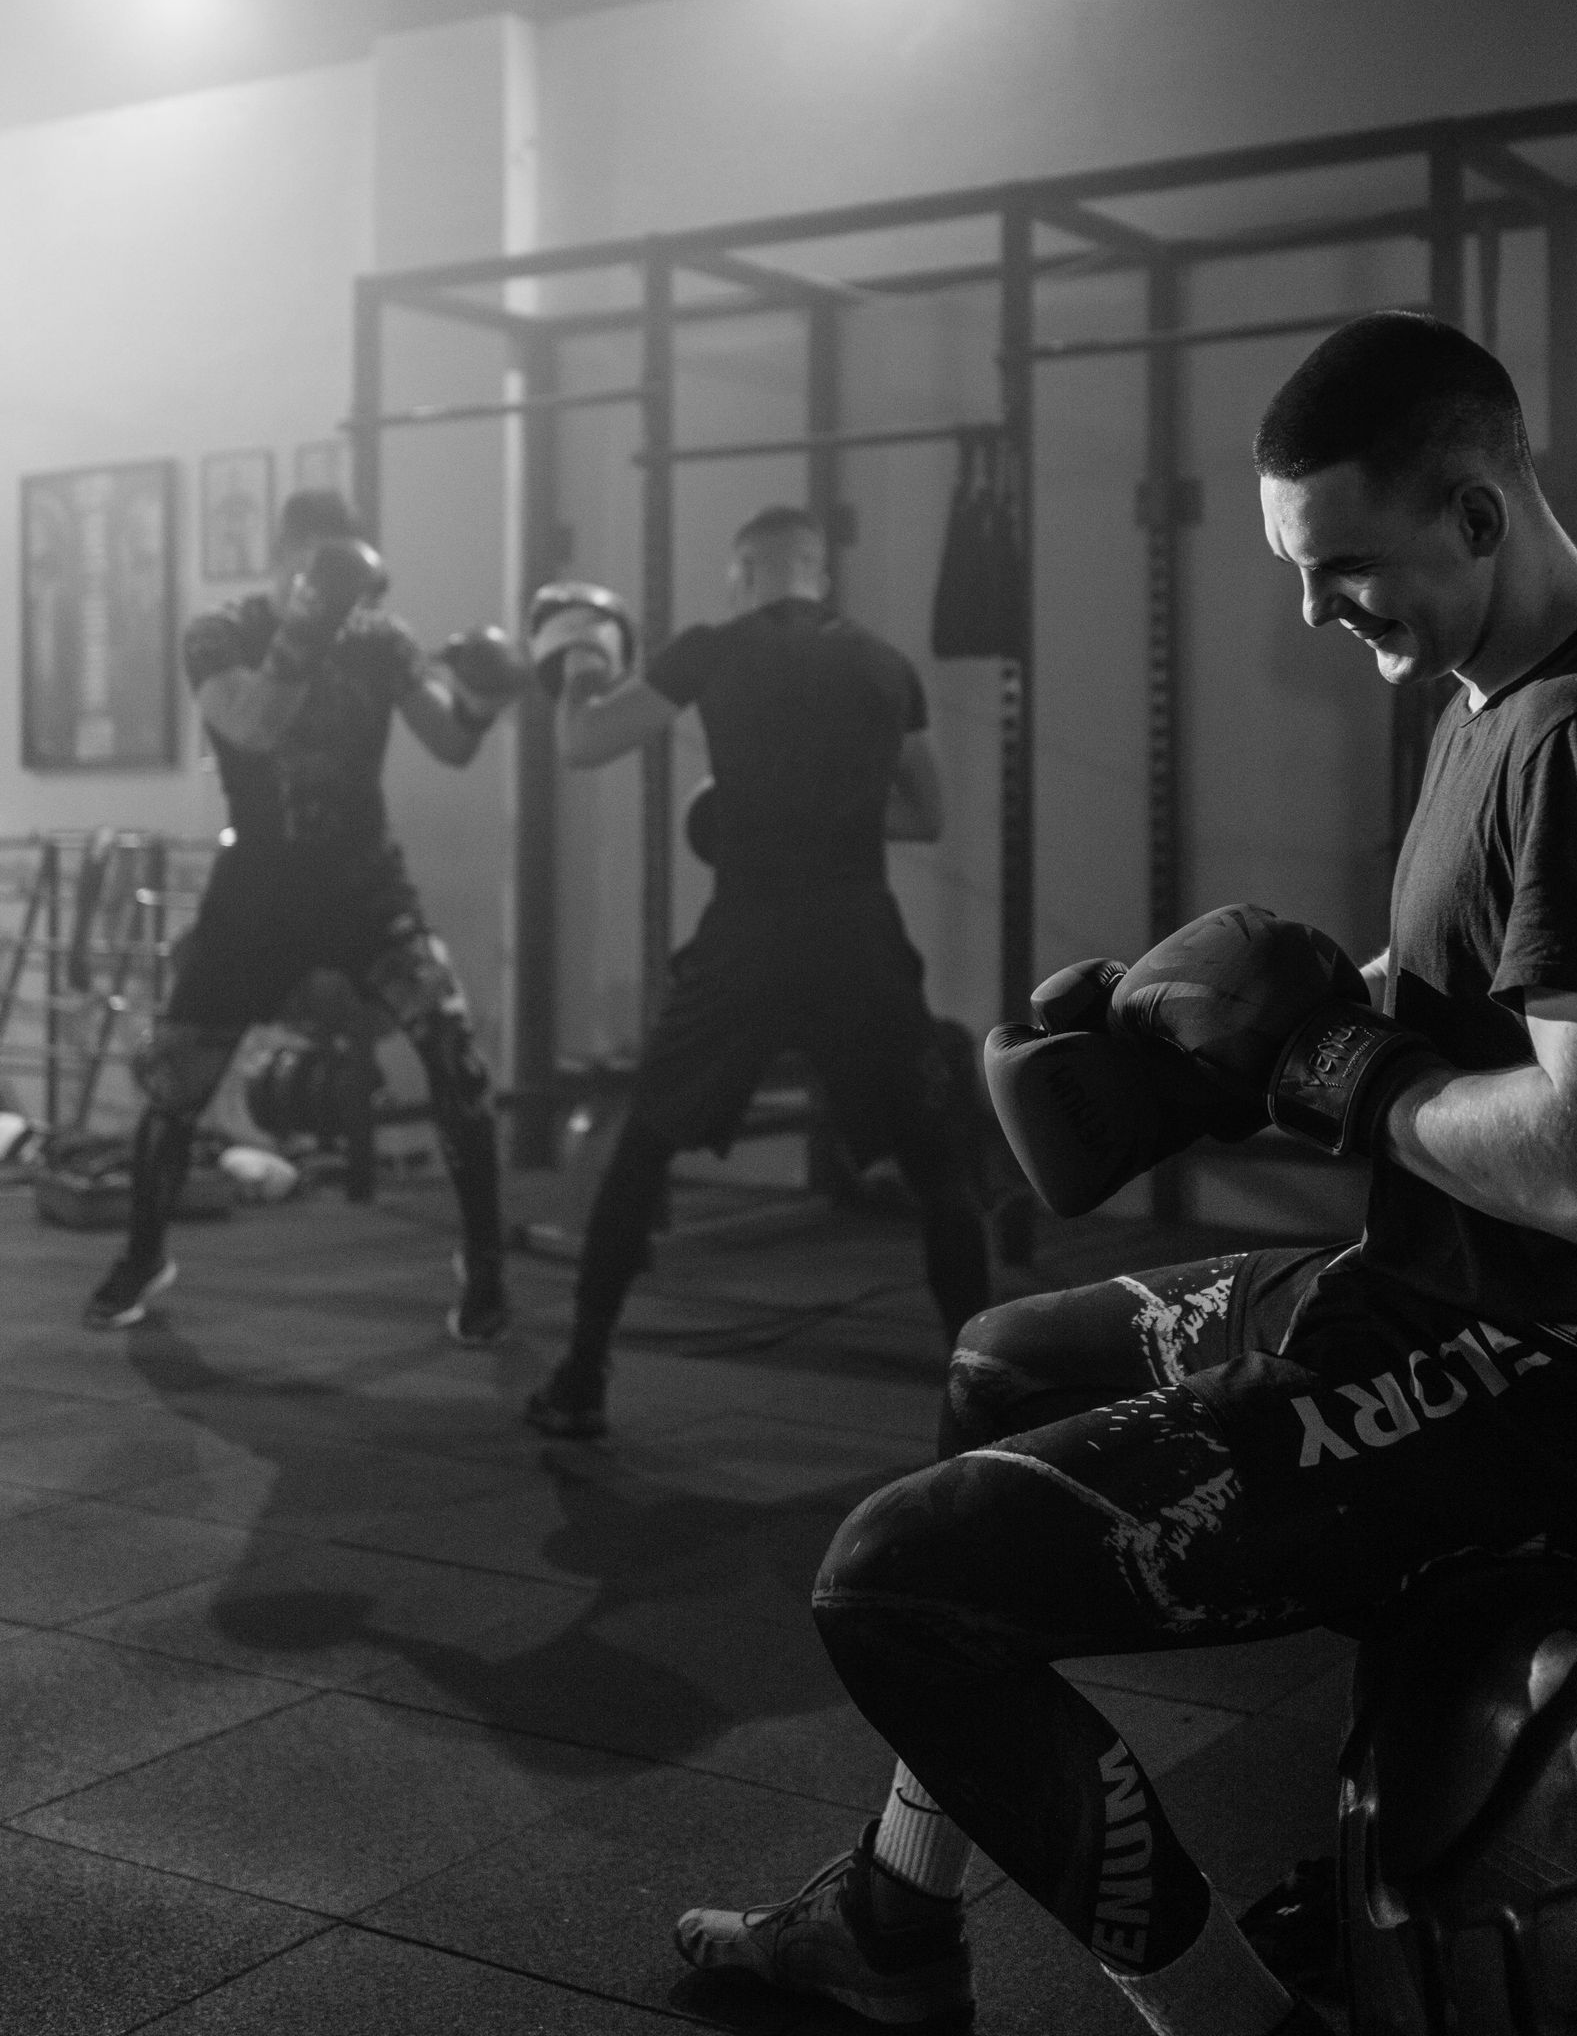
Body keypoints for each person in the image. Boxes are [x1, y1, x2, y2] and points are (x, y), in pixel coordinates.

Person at [672, 314, 1577, 2036]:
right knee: (998, 1360)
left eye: (1348, 565)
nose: (1319, 610)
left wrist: (1333, 1066)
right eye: (1298, 568)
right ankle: (895, 1916)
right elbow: (1472, 998)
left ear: (1482, 509)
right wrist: (1196, 1030)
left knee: (893, 1582)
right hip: (1436, 1294)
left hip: (1559, 1378)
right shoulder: (1498, 703)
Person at [523, 503, 993, 1441]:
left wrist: (578, 660)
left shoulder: (711, 647)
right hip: (857, 934)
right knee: (941, 1167)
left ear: (743, 572)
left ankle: (581, 1377)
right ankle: (988, 1405)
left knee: (646, 1143)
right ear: (819, 571)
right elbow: (926, 816)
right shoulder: (885, 663)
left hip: (748, 934)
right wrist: (836, 815)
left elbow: (583, 744)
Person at [85, 490, 525, 1342]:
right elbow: (247, 726)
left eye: (340, 570)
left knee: (453, 1051)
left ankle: (486, 1269)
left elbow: (451, 743)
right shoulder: (219, 632)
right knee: (178, 1082)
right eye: (314, 567)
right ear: (283, 558)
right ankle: (143, 1255)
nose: (327, 587)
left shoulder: (384, 641)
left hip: (365, 882)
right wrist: (308, 625)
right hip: (256, 890)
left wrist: (486, 696)